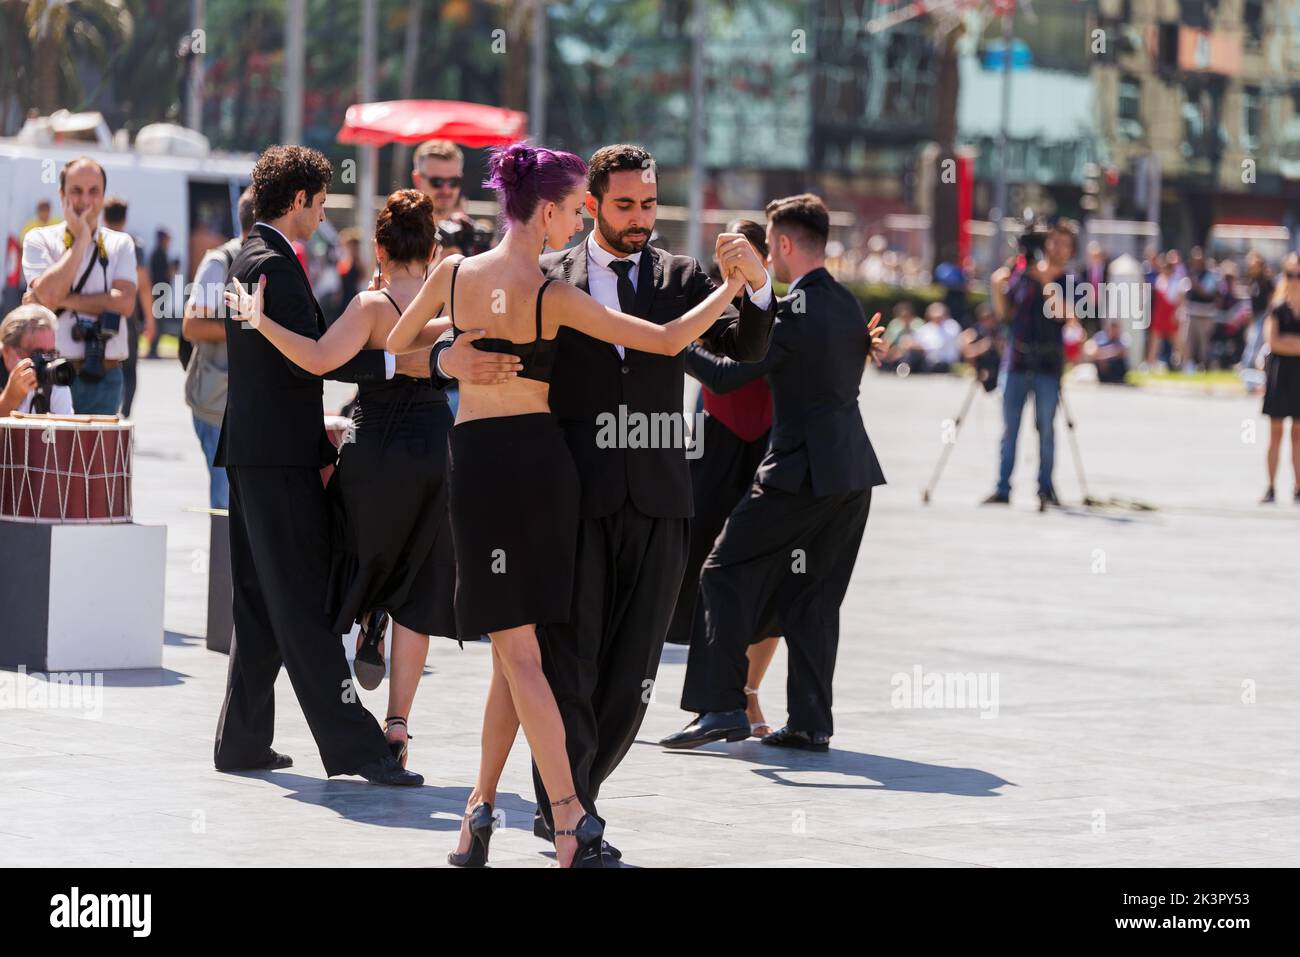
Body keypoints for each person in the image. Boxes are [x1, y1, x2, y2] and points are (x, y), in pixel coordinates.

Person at [412, 141, 772, 867]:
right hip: (565, 497)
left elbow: (734, 361)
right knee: (558, 659)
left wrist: (757, 288)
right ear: (591, 206)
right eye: (623, 204)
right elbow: (441, 340)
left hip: (660, 497)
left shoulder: (680, 277)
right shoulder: (544, 275)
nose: (640, 217)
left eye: (650, 204)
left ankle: (551, 798)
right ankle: (568, 811)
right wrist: (448, 358)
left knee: (630, 673)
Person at [224, 188, 457, 768]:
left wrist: (263, 325)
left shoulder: (369, 306)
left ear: (378, 246)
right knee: (420, 584)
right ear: (432, 249)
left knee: (329, 571)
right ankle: (396, 722)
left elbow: (319, 359)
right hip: (434, 450)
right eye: (322, 200)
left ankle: (368, 612)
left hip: (373, 448)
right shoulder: (450, 308)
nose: (325, 212)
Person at [660, 193, 886, 753]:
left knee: (720, 570)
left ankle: (721, 707)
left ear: (782, 244)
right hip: (853, 474)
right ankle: (810, 723)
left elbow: (728, 377)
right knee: (814, 597)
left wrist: (672, 341)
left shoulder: (794, 312)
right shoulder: (846, 303)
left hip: (799, 471)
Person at [667, 218, 781, 738]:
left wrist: (665, 342)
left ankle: (746, 698)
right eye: (723, 252)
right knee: (692, 569)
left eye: (741, 251)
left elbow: (726, 371)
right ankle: (717, 698)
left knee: (757, 575)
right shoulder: (710, 304)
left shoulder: (768, 308)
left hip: (760, 448)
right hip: (709, 445)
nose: (729, 261)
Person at [21, 157, 138, 415]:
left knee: (101, 457)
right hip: (52, 374)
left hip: (105, 375)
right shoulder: (39, 239)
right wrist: (82, 240)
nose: (85, 200)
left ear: (104, 195)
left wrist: (60, 300)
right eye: (76, 191)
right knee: (49, 456)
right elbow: (49, 293)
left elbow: (124, 303)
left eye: (93, 191)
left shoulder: (121, 244)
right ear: (62, 194)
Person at [982, 220, 1078, 508]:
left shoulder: (1070, 281)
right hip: (1017, 359)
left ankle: (1045, 488)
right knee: (1009, 428)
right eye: (1053, 242)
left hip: (1049, 363)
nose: (1056, 248)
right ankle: (1002, 488)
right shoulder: (1023, 275)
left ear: (1071, 250)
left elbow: (1065, 315)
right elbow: (1006, 314)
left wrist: (1046, 281)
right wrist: (997, 286)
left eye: (1063, 244)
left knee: (1046, 429)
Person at [182, 187, 256, 510]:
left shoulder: (273, 263)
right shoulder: (220, 262)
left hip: (249, 405)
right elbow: (191, 326)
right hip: (217, 404)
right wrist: (249, 330)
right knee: (225, 505)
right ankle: (221, 563)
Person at [101, 196, 154, 418]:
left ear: (104, 216)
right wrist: (150, 319)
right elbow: (142, 283)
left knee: (102, 364)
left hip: (99, 311)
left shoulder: (97, 241)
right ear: (125, 217)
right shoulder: (132, 244)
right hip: (126, 313)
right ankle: (124, 414)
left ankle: (105, 411)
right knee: (129, 367)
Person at [1260, 252, 1300, 504]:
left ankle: (1298, 486)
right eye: (1290, 274)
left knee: (1298, 433)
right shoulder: (1277, 306)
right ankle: (1271, 486)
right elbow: (1272, 341)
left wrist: (1288, 343)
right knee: (1275, 433)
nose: (1294, 279)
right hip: (1279, 375)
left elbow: (1281, 341)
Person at [0, 304, 74, 416]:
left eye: (51, 353)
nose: (47, 363)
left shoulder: (55, 378)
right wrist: (9, 399)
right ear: (8, 352)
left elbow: (65, 433)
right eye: (38, 353)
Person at [147, 229, 176, 359]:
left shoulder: (160, 253)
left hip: (159, 292)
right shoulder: (159, 254)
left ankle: (153, 349)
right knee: (158, 322)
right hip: (158, 293)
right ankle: (152, 349)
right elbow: (161, 276)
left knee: (159, 321)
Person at [911, 301, 962, 373]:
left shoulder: (952, 326)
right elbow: (917, 343)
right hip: (928, 362)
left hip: (947, 363)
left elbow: (939, 345)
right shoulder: (925, 329)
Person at [1084, 317, 1130, 384]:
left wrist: (1103, 355)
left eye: (1116, 327)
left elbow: (1123, 351)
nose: (1114, 330)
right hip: (1102, 367)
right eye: (1113, 327)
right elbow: (1090, 350)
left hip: (1117, 368)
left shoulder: (1123, 338)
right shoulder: (1100, 337)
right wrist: (1102, 359)